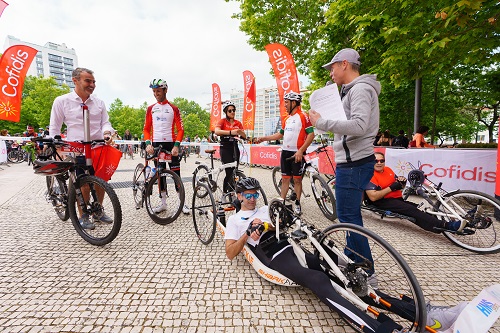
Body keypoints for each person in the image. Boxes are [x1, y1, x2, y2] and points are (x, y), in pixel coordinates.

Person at [225, 177, 467, 333]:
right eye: (247, 194)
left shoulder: (267, 208)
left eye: (255, 193)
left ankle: (425, 314)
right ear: (238, 196)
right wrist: (247, 234)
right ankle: (381, 329)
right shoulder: (235, 219)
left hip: (291, 244)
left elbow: (287, 220)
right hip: (274, 255)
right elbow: (230, 253)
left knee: (346, 276)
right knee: (318, 280)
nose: (252, 197)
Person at [309, 48, 379, 263]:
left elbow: (359, 125)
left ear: (344, 64)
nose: (331, 73)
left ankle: (364, 269)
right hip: (351, 161)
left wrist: (321, 122)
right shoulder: (351, 90)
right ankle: (351, 257)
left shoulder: (360, 90)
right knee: (348, 215)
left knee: (349, 218)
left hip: (354, 163)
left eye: (332, 67)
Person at [49, 67, 116, 230]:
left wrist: (107, 132)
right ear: (75, 80)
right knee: (83, 183)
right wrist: (55, 145)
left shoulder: (99, 103)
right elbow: (54, 126)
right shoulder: (62, 101)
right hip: (76, 147)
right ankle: (83, 215)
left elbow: (105, 122)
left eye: (94, 82)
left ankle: (98, 209)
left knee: (102, 180)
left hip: (98, 145)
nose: (92, 85)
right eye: (88, 81)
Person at [365, 152, 464, 232]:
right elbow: (373, 197)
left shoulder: (388, 169)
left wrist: (402, 182)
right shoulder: (369, 175)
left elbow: (401, 188)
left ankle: (456, 220)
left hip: (397, 199)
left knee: (419, 208)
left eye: (382, 160)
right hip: (383, 201)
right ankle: (445, 225)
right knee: (411, 211)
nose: (379, 163)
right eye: (376, 161)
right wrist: (391, 188)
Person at [256, 91, 315, 215]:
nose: (285, 105)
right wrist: (264, 138)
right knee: (285, 179)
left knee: (298, 180)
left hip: (297, 153)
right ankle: (282, 203)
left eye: (287, 103)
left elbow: (311, 134)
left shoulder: (303, 116)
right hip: (285, 152)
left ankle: (298, 203)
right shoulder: (287, 119)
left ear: (294, 102)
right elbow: (279, 135)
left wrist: (301, 150)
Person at [143, 78, 190, 215]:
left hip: (171, 144)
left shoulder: (174, 108)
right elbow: (146, 129)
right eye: (153, 91)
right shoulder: (151, 109)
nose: (155, 93)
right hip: (156, 144)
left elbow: (180, 129)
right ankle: (163, 203)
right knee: (160, 173)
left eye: (158, 91)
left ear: (165, 90)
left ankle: (182, 203)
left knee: (176, 174)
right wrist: (148, 143)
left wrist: (176, 145)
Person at [214, 101, 247, 197]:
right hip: (225, 147)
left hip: (234, 146)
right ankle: (225, 194)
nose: (232, 112)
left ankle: (232, 192)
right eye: (230, 110)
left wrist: (241, 133)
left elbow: (244, 135)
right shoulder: (222, 121)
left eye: (234, 110)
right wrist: (231, 132)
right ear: (226, 112)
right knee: (228, 172)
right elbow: (217, 131)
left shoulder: (238, 123)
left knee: (235, 171)